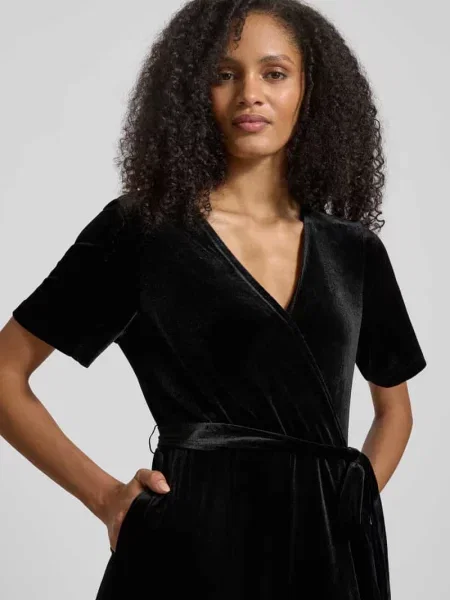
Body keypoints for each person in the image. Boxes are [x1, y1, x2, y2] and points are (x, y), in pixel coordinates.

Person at [0, 1, 427, 599]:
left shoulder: (353, 251)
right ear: (192, 91)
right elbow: (5, 373)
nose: (251, 93)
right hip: (186, 549)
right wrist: (105, 498)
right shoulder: (141, 232)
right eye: (225, 74)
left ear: (310, 90)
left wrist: (345, 510)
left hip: (323, 564)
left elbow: (395, 412)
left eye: (274, 73)